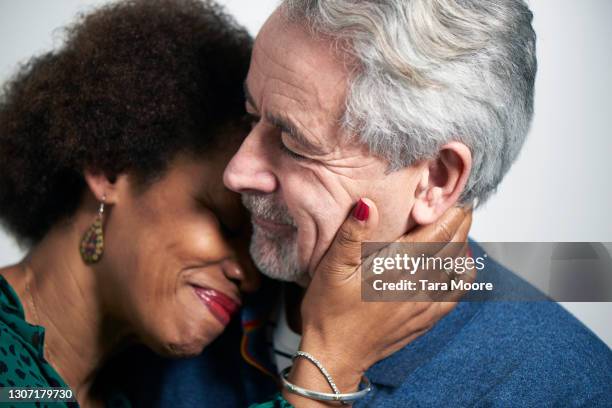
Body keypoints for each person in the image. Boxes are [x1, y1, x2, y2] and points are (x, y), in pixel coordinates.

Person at [0, 1, 470, 407]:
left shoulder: (128, 390)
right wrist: (330, 360)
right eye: (225, 222)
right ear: (109, 170)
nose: (249, 274)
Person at [147, 0, 612, 406]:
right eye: (251, 118)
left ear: (435, 178)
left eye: (295, 144)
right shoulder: (186, 301)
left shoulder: (570, 389)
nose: (237, 172)